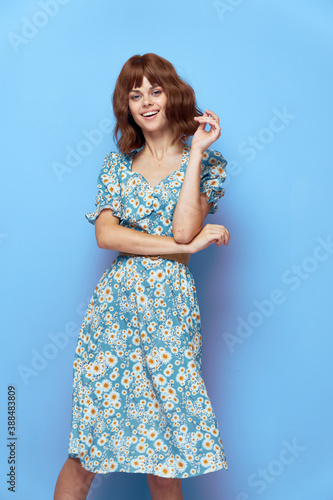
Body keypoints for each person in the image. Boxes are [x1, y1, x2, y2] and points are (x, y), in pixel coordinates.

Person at [54, 52, 230, 500]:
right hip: (113, 315)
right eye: (136, 95)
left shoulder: (207, 163)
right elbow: (107, 236)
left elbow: (185, 227)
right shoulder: (117, 166)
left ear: (173, 95)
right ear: (126, 106)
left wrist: (194, 155)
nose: (146, 101)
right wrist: (183, 249)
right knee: (86, 453)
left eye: (155, 90)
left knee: (164, 457)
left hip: (170, 313)